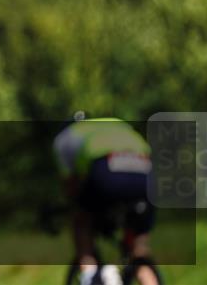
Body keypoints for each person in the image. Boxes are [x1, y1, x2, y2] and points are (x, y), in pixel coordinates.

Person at [53, 115, 157, 285]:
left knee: (81, 222)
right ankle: (149, 278)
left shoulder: (64, 137)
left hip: (106, 168)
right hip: (145, 172)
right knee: (138, 248)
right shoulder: (115, 124)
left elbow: (70, 187)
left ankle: (92, 275)